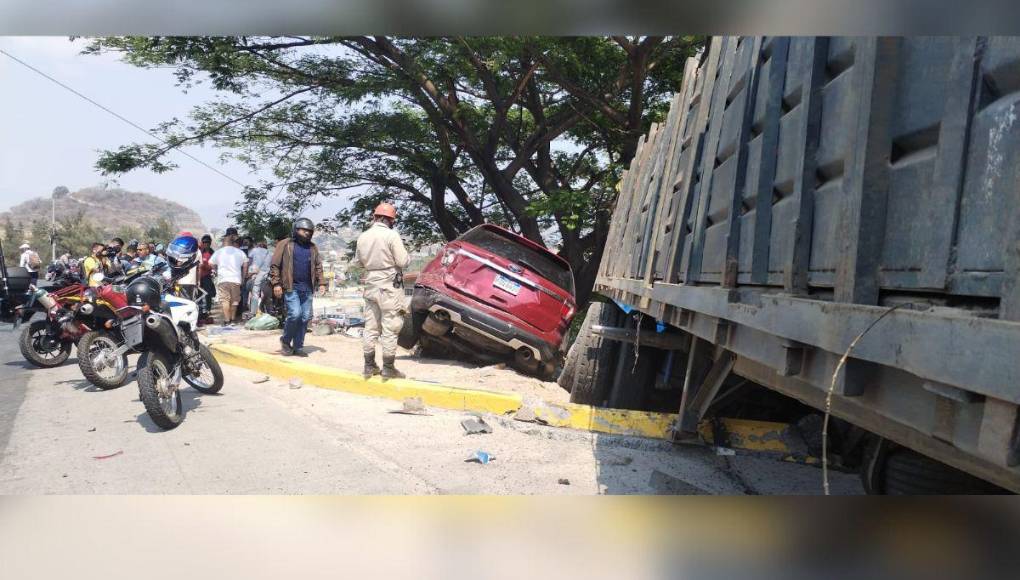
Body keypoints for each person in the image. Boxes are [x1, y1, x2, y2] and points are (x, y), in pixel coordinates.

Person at [351, 203, 410, 379]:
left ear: (375, 217)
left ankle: (369, 366)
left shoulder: (363, 236)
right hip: (389, 287)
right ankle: (388, 368)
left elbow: (358, 262)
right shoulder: (391, 235)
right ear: (391, 220)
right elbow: (402, 261)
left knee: (370, 327)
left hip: (370, 285)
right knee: (391, 326)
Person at [269, 218, 326, 357]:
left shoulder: (312, 247)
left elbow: (318, 266)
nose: (306, 233)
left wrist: (322, 283)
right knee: (295, 314)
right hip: (291, 287)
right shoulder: (285, 244)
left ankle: (298, 346)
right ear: (296, 230)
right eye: (303, 230)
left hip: (307, 288)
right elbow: (275, 265)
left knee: (305, 317)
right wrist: (276, 283)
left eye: (309, 231)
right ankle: (286, 341)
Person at [209, 234, 248, 326]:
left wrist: (216, 269)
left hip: (223, 279)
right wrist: (243, 277)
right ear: (232, 243)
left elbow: (210, 263)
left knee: (225, 300)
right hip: (236, 279)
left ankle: (227, 320)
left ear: (224, 242)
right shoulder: (240, 252)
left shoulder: (219, 252)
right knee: (235, 300)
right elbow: (245, 264)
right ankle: (233, 319)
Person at [246, 240, 271, 315]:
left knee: (254, 293)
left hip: (255, 274)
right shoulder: (270, 253)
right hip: (266, 275)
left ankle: (253, 312)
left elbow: (249, 262)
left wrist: (249, 272)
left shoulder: (254, 250)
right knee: (266, 294)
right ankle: (267, 311)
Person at [198, 234, 217, 323]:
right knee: (198, 294)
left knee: (208, 294)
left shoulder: (212, 253)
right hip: (198, 276)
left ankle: (208, 309)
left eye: (207, 242)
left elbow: (213, 266)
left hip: (206, 276)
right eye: (204, 242)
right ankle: (199, 310)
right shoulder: (198, 251)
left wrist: (206, 265)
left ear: (210, 243)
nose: (206, 244)